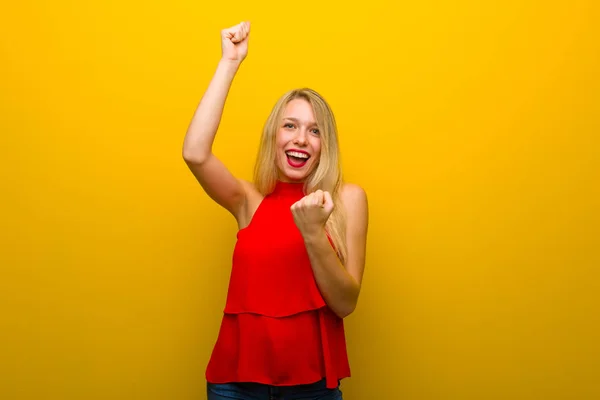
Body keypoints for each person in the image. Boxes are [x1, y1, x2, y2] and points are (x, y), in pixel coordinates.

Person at [182, 21, 369, 400]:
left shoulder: (347, 199)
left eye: (314, 131)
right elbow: (195, 153)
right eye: (290, 126)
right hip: (234, 386)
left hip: (312, 388)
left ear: (325, 144)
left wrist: (314, 232)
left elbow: (346, 303)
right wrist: (229, 62)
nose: (301, 139)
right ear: (274, 135)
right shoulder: (249, 200)